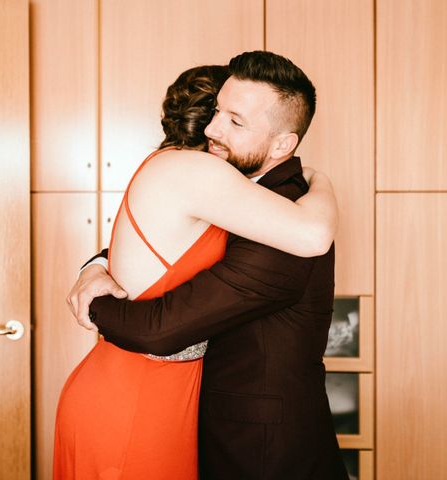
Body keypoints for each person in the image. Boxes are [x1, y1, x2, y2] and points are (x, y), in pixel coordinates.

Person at [59, 56, 343, 480]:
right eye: (216, 113)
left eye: (235, 121)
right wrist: (97, 265)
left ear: (283, 144)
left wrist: (94, 303)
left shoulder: (283, 216)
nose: (213, 130)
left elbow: (157, 329)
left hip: (261, 448)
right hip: (152, 400)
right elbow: (165, 250)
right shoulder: (232, 192)